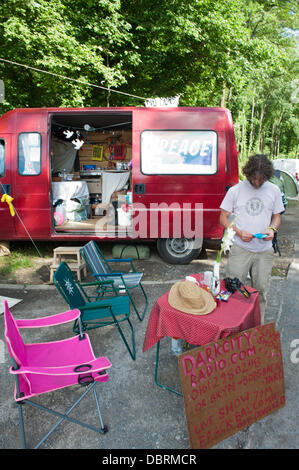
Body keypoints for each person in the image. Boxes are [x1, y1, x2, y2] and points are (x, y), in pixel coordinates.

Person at [219, 154, 285, 322]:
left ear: (267, 175)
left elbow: (277, 216)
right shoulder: (236, 190)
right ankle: (232, 324)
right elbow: (223, 218)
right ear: (248, 173)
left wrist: (272, 228)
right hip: (240, 248)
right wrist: (239, 232)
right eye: (254, 178)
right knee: (234, 288)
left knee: (260, 290)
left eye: (261, 179)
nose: (257, 182)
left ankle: (257, 328)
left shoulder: (274, 190)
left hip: (264, 250)